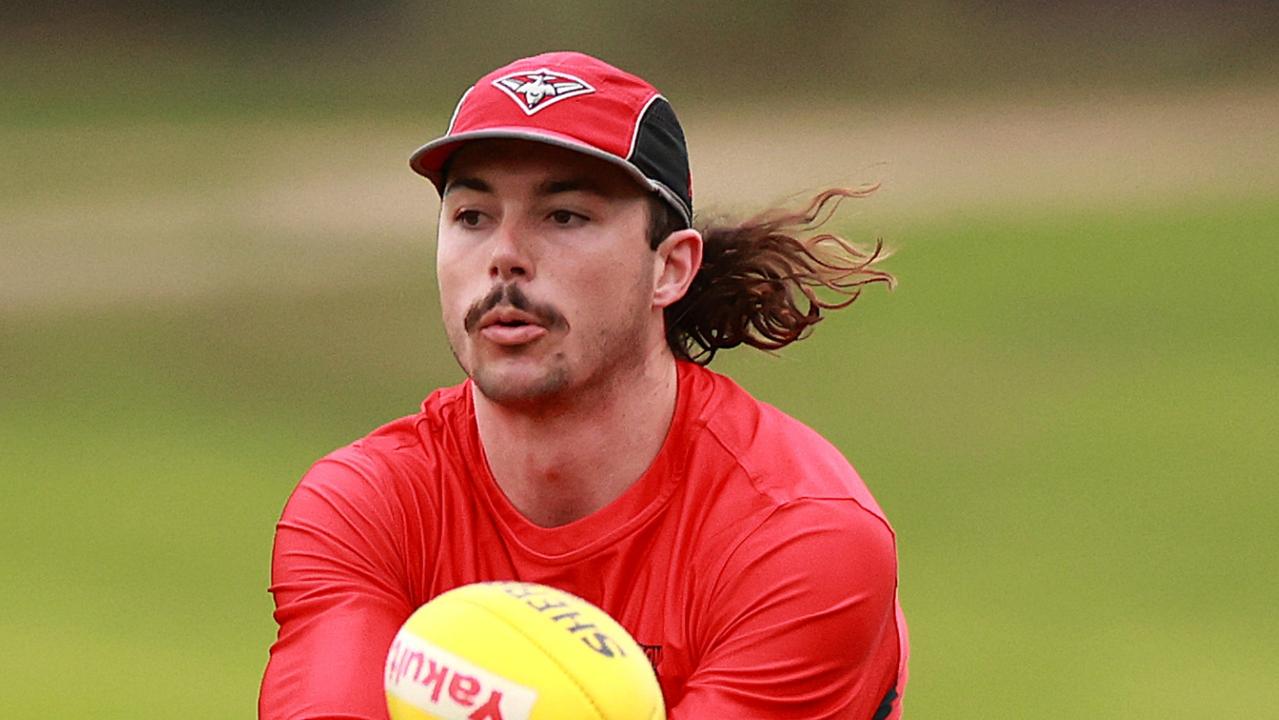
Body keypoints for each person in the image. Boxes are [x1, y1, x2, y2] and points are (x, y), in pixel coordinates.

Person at [260, 51, 908, 719]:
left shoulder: (798, 537)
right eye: (472, 217)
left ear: (670, 268)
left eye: (564, 216)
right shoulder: (365, 507)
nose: (504, 255)